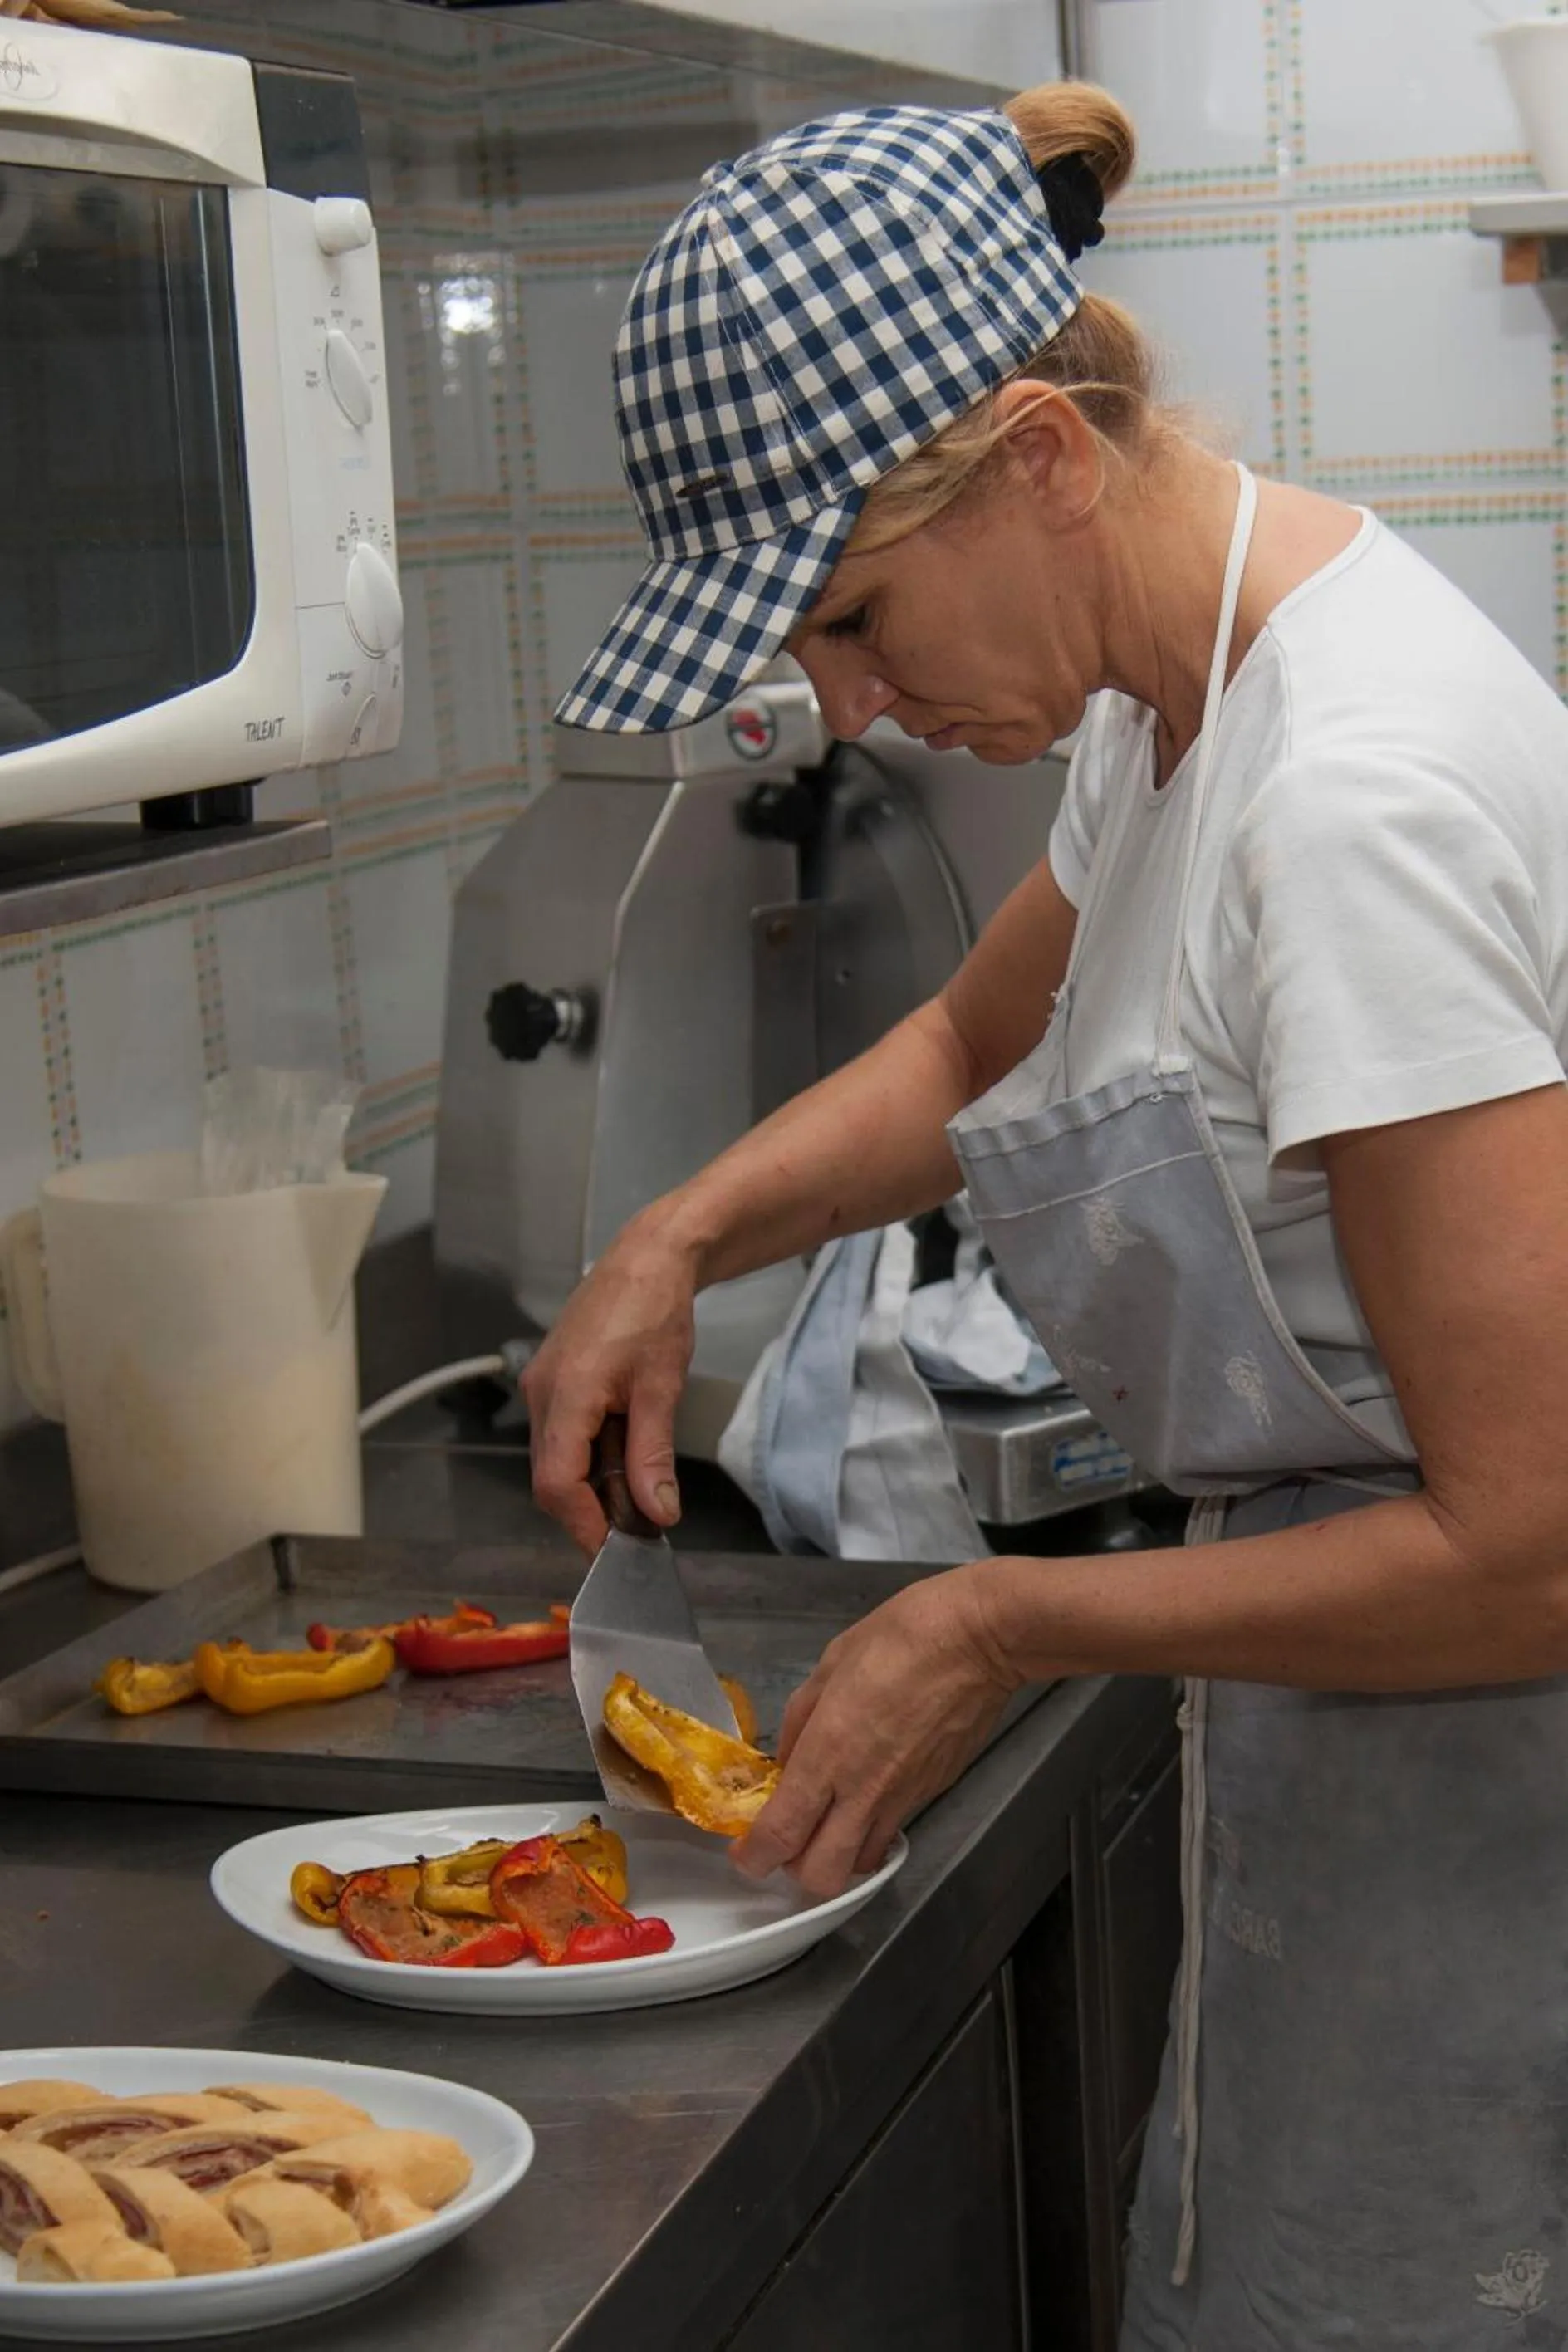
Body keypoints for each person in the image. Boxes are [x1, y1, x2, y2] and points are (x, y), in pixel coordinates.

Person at [531, 78, 1568, 2350]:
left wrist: (1003, 1630)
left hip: (1506, 1809)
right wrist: (678, 1236)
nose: (840, 697)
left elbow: (1537, 1547)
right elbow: (961, 1056)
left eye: (854, 612)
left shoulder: (1351, 807)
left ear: (1039, 458)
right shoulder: (1171, 694)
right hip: (1362, 1768)